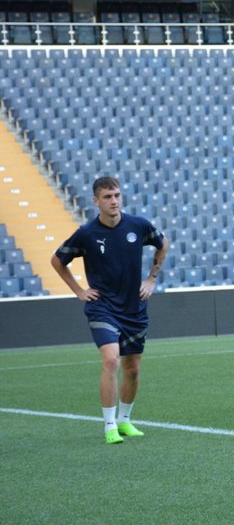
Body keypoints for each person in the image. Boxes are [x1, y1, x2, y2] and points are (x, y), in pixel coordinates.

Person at [51, 176, 168, 444]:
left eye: (116, 195)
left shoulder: (138, 225)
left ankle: (125, 421)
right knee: (111, 360)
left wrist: (151, 279)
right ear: (96, 201)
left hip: (134, 308)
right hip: (102, 308)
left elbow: (163, 244)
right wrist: (79, 291)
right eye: (107, 197)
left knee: (133, 369)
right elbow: (57, 261)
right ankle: (109, 425)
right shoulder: (87, 233)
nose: (113, 201)